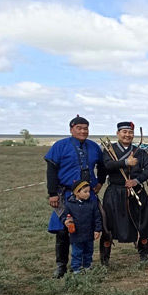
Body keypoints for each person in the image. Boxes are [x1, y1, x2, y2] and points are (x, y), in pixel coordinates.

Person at [44, 115, 104, 278]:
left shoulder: (94, 147)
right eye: (79, 128)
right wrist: (52, 193)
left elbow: (103, 165)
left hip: (88, 195)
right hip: (66, 194)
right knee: (63, 229)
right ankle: (61, 265)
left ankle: (85, 264)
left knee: (89, 227)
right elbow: (51, 170)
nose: (83, 131)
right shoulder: (60, 146)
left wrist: (100, 182)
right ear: (71, 129)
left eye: (86, 128)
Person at [101, 121, 148, 263]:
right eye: (124, 132)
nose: (127, 135)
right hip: (115, 192)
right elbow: (107, 165)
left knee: (142, 222)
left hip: (135, 191)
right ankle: (105, 259)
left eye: (130, 132)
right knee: (108, 224)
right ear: (118, 133)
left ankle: (144, 253)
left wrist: (136, 181)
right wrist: (125, 162)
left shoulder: (140, 152)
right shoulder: (109, 150)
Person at [61, 181, 102, 274]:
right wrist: (66, 221)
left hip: (89, 233)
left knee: (89, 251)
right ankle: (76, 268)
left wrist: (97, 230)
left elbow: (97, 217)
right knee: (76, 252)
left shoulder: (92, 204)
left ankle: (87, 265)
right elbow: (64, 216)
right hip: (76, 234)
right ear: (76, 192)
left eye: (89, 192)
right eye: (85, 192)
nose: (88, 194)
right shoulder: (69, 204)